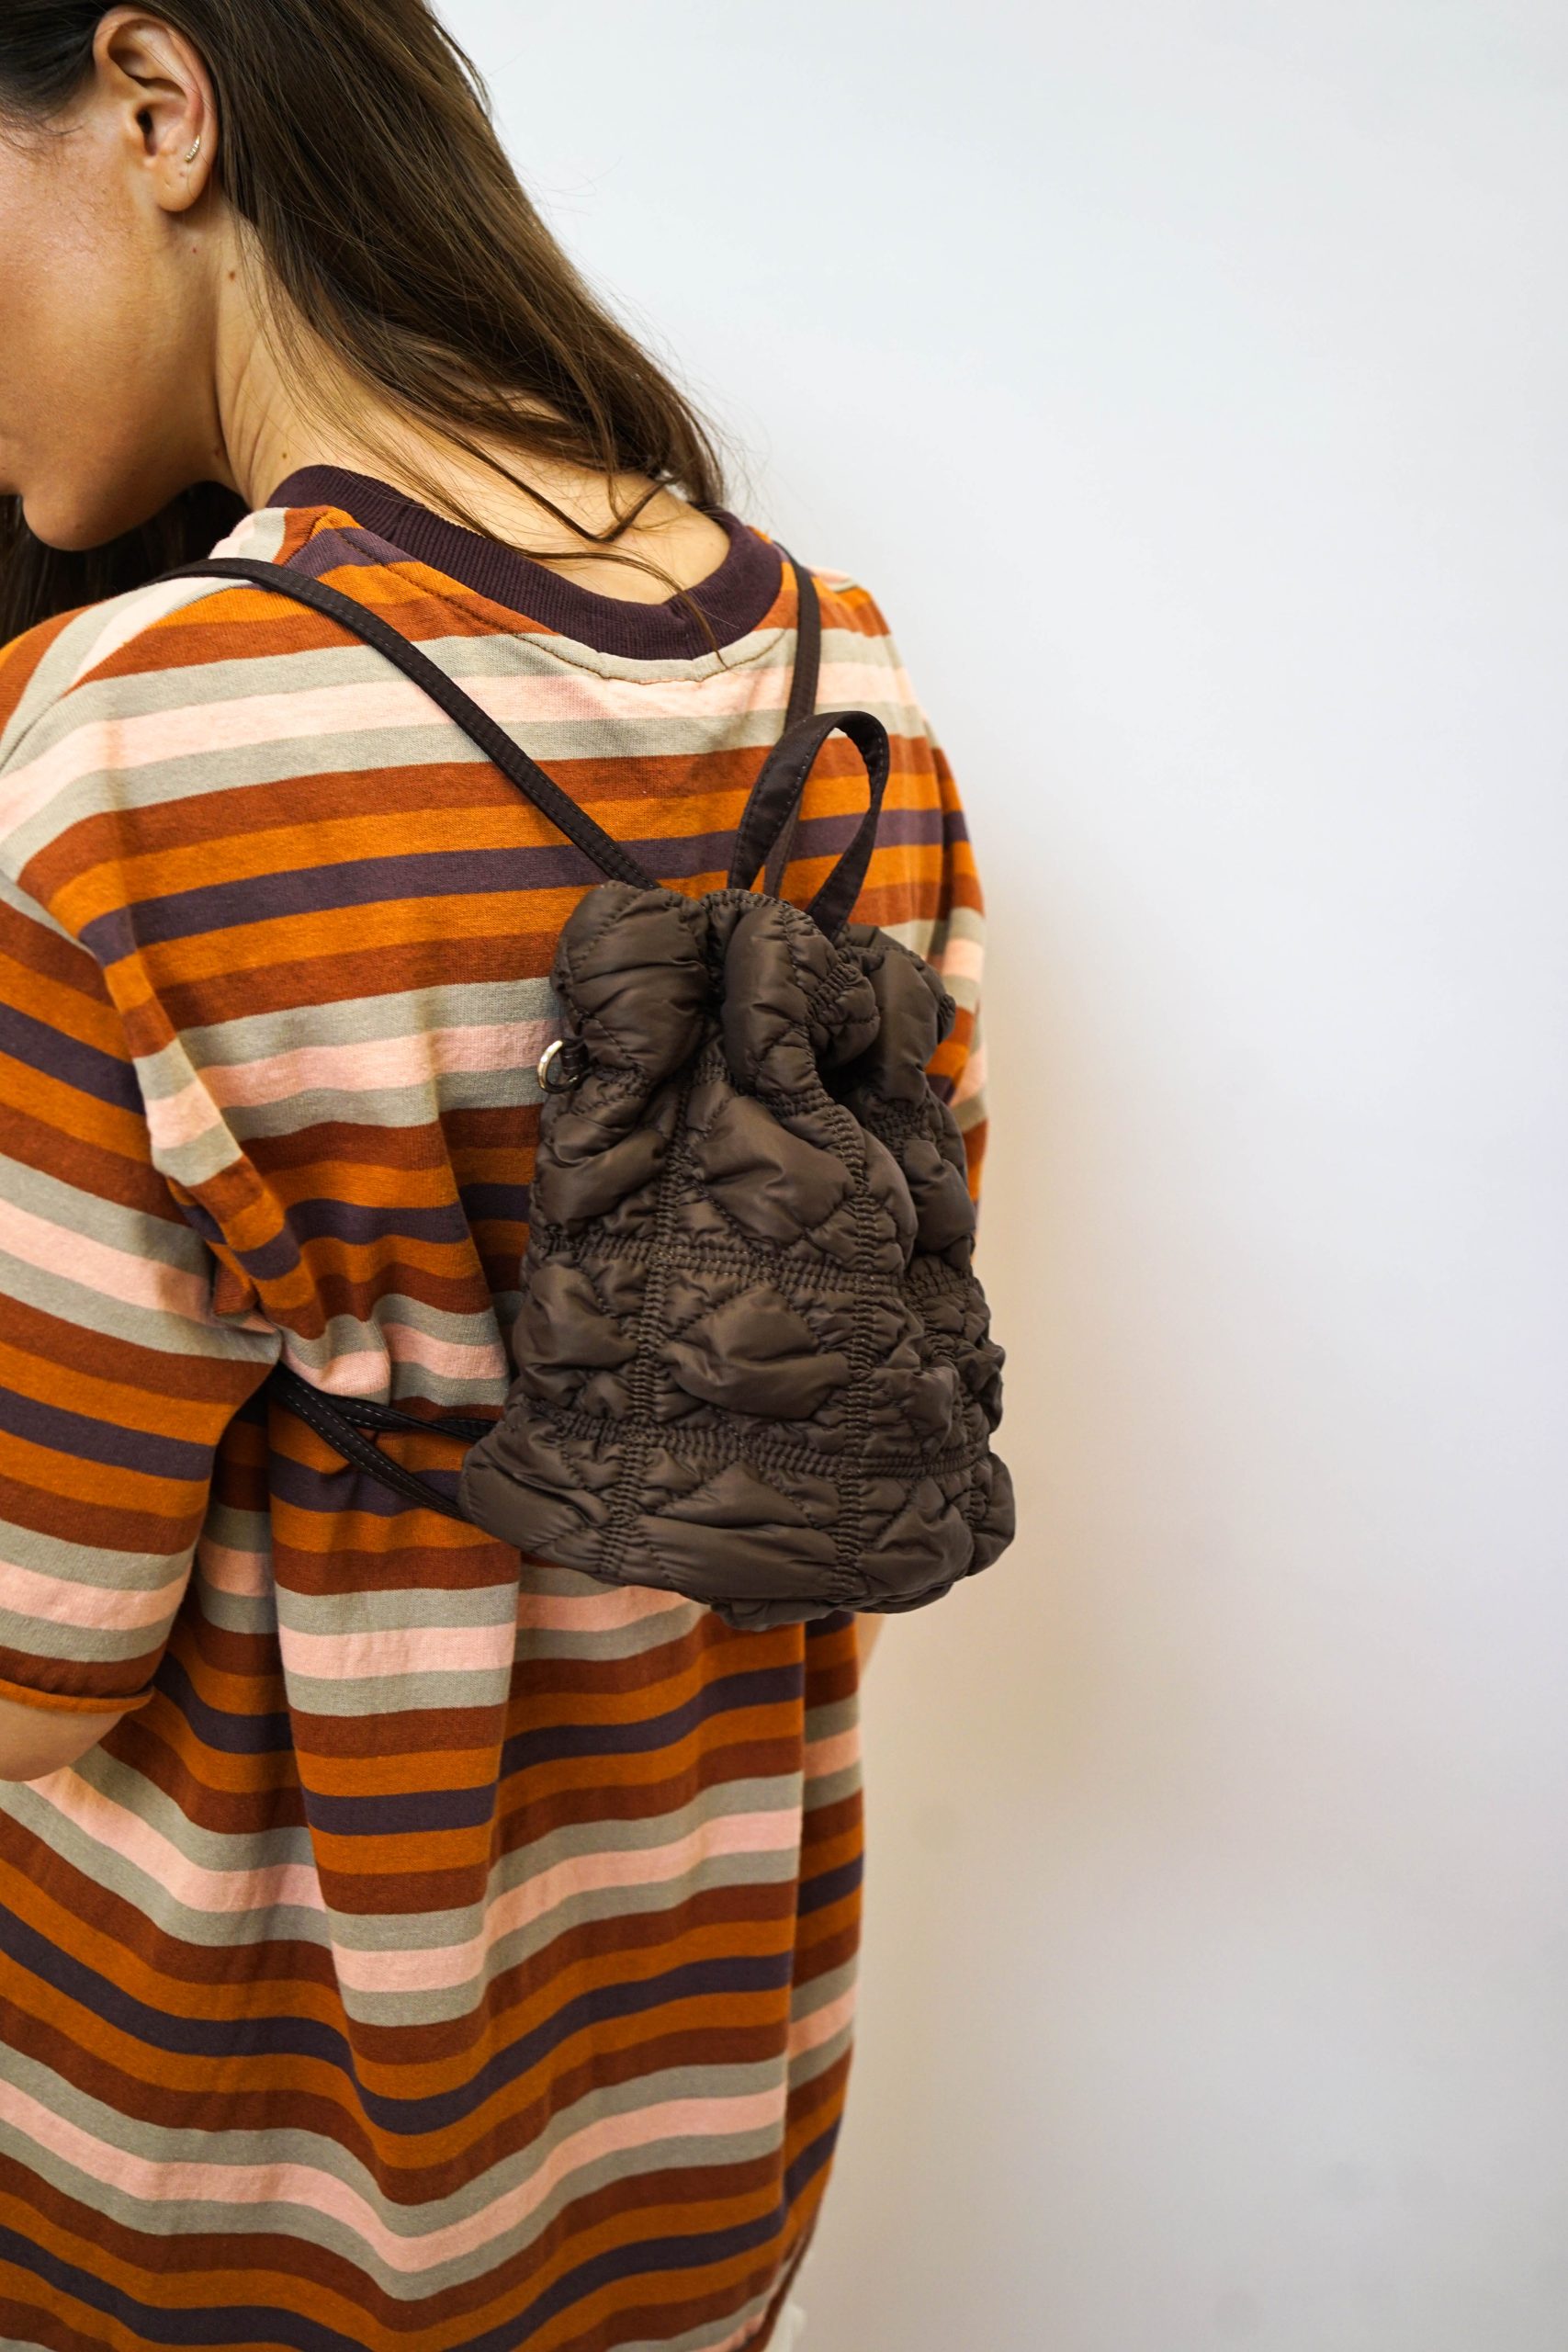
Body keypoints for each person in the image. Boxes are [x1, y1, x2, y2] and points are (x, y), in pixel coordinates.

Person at [0, 6, 989, 2347]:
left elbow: (33, 1650)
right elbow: (853, 1418)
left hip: (212, 2168)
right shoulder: (843, 678)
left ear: (156, 105)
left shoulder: (127, 741)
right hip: (688, 2111)